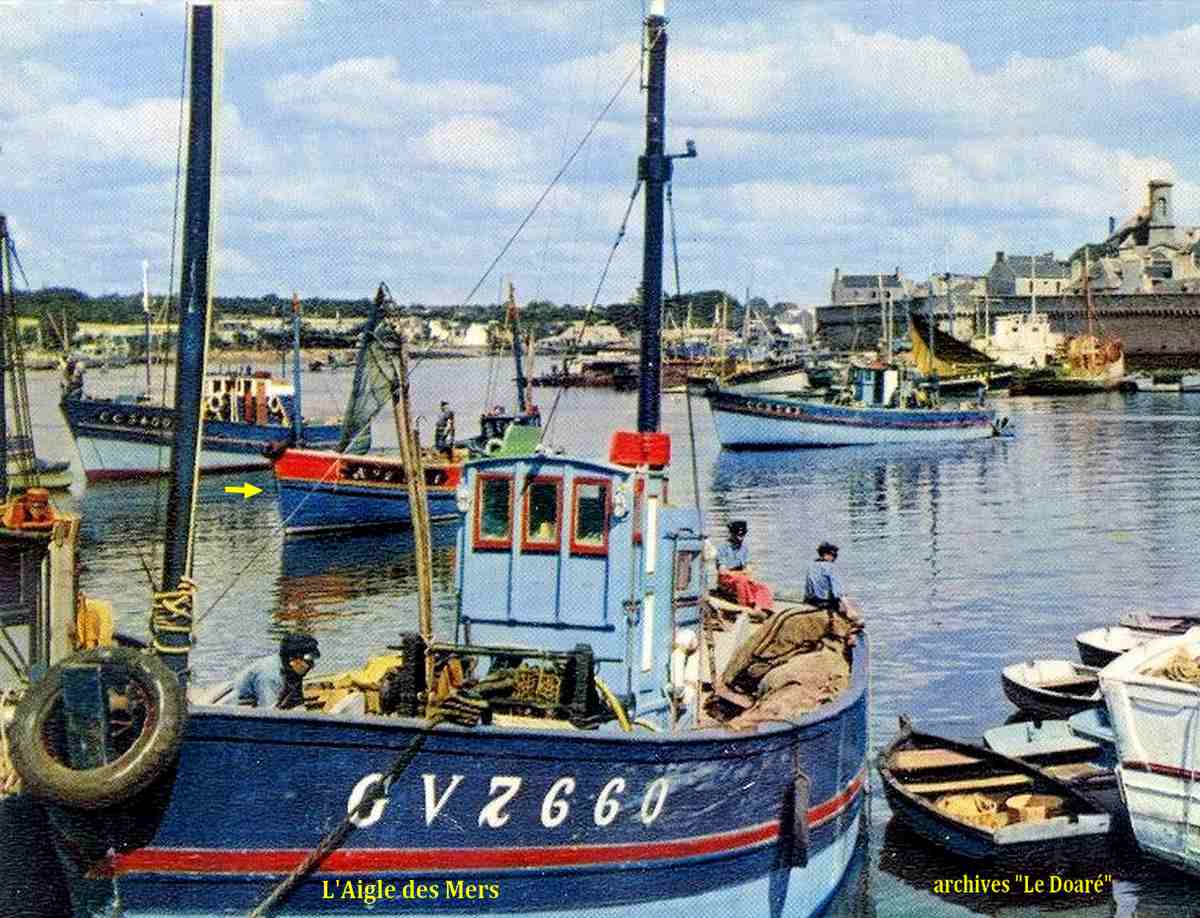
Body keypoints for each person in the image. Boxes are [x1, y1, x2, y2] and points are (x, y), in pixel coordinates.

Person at [235, 633, 320, 709]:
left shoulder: (291, 668)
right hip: (237, 709)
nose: (312, 666)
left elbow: (296, 701)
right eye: (308, 662)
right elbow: (268, 713)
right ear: (292, 659)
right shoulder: (271, 677)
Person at [805, 542, 843, 610]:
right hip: (825, 602)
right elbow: (837, 591)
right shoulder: (830, 567)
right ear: (825, 554)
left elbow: (809, 588)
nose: (834, 558)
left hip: (810, 601)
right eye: (833, 555)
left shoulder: (811, 566)